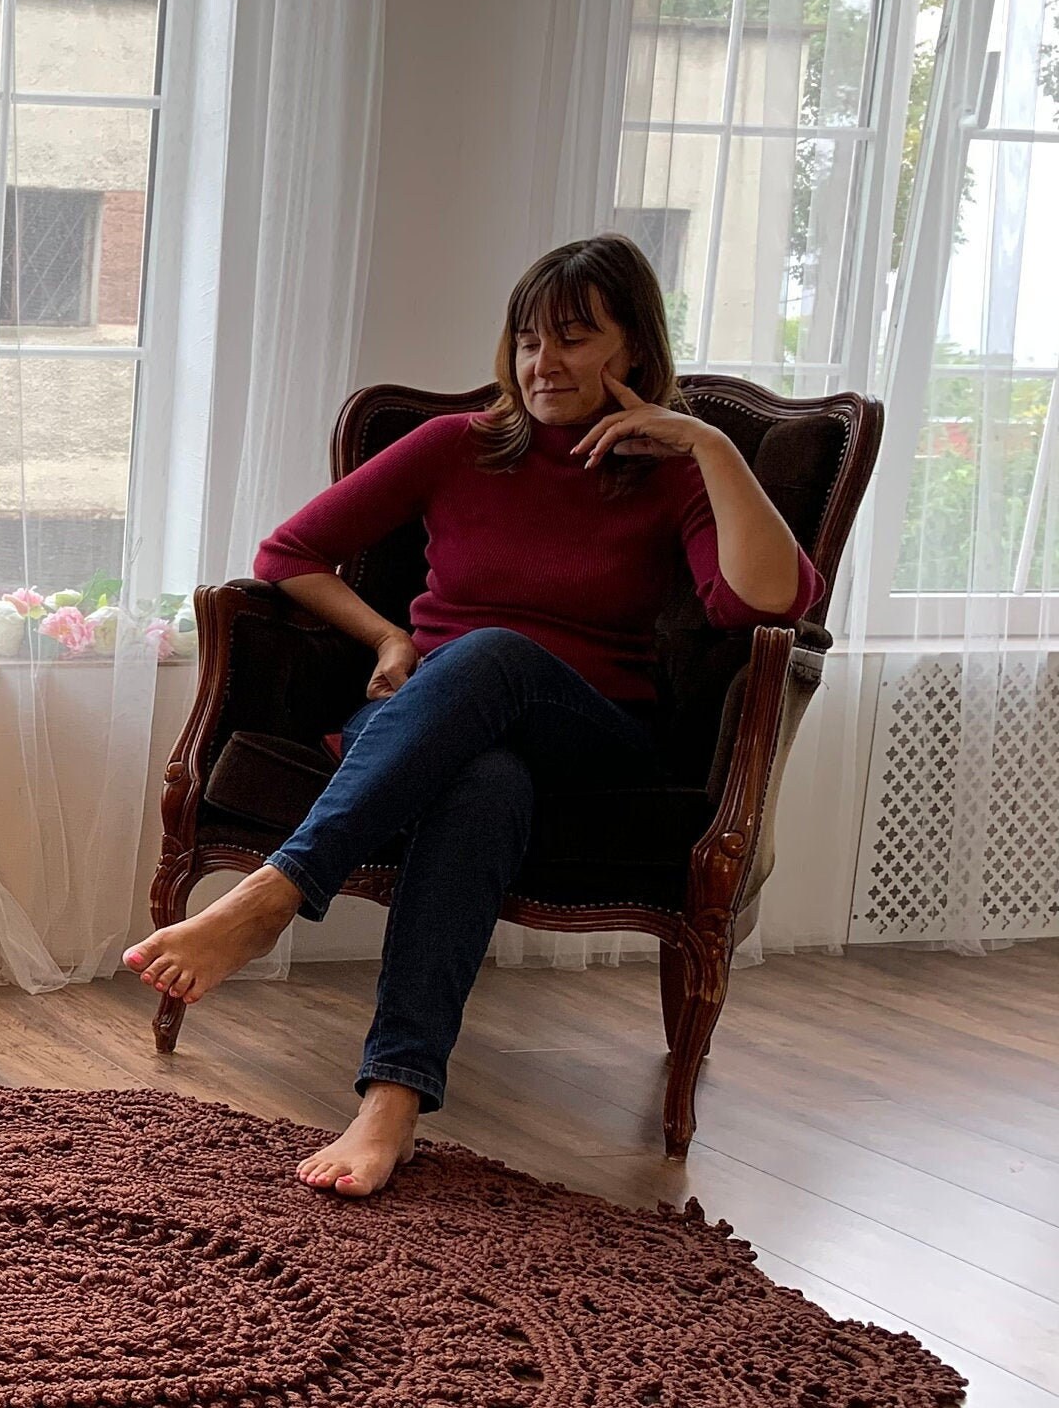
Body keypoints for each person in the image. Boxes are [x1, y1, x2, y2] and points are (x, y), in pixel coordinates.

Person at [123, 234, 824, 1196]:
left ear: (635, 348)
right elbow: (288, 555)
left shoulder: (672, 474)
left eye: (574, 338)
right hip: (432, 724)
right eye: (529, 340)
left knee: (493, 652)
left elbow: (767, 602)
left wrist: (707, 445)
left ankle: (277, 891)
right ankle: (392, 1100)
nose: (544, 363)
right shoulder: (457, 446)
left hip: (592, 739)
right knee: (483, 782)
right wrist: (388, 638)